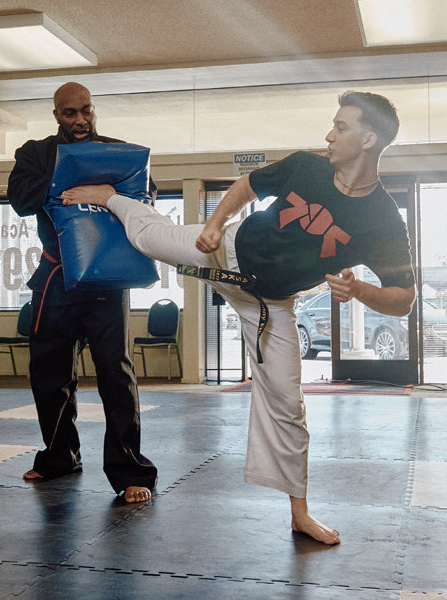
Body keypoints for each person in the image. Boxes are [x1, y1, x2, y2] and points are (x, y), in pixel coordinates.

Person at [61, 91, 416, 543]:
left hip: (268, 304)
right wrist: (214, 223)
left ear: (368, 139)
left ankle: (299, 513)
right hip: (224, 252)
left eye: (341, 127)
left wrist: (362, 290)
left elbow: (404, 299)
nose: (329, 135)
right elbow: (249, 184)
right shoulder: (307, 166)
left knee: (288, 403)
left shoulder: (383, 220)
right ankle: (112, 198)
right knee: (150, 237)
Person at [6, 82, 157, 504]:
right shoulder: (35, 154)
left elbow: (145, 196)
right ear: (56, 115)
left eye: (86, 111)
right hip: (56, 276)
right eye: (69, 113)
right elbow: (19, 198)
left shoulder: (116, 152)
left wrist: (105, 193)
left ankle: (131, 471)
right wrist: (68, 175)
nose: (80, 121)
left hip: (107, 276)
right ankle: (59, 458)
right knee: (50, 373)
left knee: (116, 373)